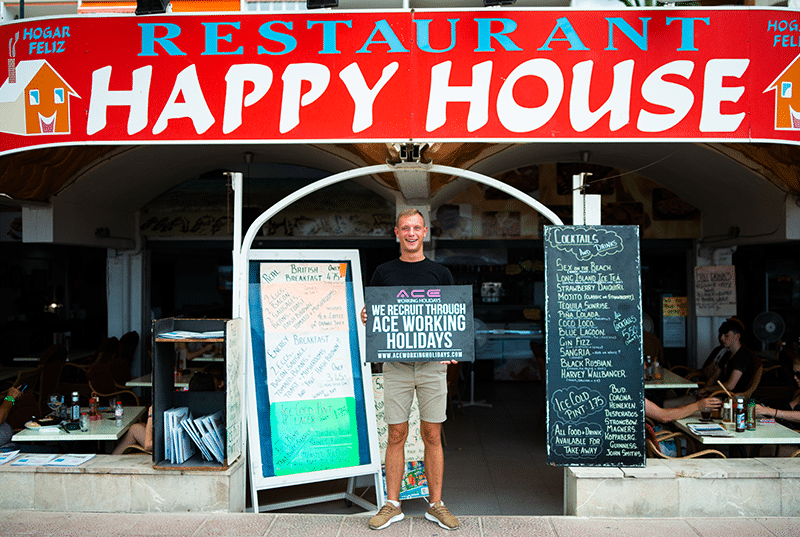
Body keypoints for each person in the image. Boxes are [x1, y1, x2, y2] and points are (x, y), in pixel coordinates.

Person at [362, 208, 459, 531]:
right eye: (406, 228)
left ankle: (436, 505)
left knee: (432, 434)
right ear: (397, 232)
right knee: (396, 434)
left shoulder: (440, 273)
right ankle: (392, 504)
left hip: (432, 367)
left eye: (417, 228)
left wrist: (452, 345)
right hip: (397, 367)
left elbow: (450, 316)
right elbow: (374, 313)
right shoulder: (383, 272)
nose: (412, 233)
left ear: (425, 231)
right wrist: (367, 315)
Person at [754, 353, 800, 456]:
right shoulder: (798, 392)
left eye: (799, 374)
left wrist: (771, 411)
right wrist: (767, 412)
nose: (795, 378)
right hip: (786, 436)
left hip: (795, 443)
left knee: (759, 449)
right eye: (794, 373)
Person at [697, 318, 755, 397]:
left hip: (731, 399)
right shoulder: (727, 354)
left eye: (726, 335)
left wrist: (707, 389)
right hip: (716, 395)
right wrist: (705, 391)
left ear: (737, 337)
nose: (721, 338)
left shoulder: (742, 357)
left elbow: (730, 386)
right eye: (721, 335)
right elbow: (714, 377)